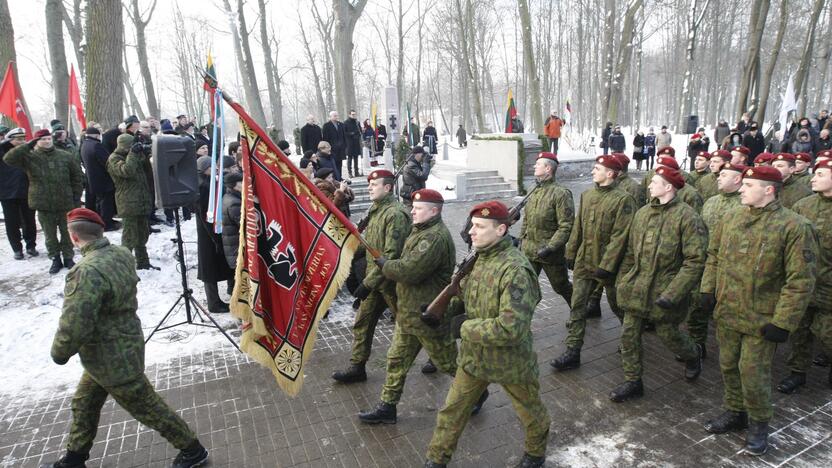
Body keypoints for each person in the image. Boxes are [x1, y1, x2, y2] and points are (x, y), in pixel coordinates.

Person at [43, 207, 208, 468]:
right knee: (84, 403)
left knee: (147, 407)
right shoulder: (120, 254)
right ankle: (74, 459)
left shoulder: (86, 271)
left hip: (112, 358)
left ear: (74, 238)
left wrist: (59, 352)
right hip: (117, 348)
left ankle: (193, 449)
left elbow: (76, 321)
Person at [701, 165, 816, 456]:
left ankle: (759, 423)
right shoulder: (731, 217)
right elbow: (713, 257)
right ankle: (735, 411)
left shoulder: (794, 226)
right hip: (728, 311)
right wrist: (707, 290)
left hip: (763, 319)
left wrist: (783, 322)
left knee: (752, 372)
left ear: (768, 190)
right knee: (727, 365)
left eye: (748, 185)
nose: (741, 189)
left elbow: (800, 280)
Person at [424, 200, 548, 468]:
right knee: (451, 412)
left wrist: (462, 327)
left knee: (530, 413)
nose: (471, 231)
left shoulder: (516, 270)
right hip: (474, 359)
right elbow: (466, 296)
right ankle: (436, 460)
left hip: (510, 361)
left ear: (501, 229)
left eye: (480, 226)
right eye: (472, 226)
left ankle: (535, 455)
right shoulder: (478, 258)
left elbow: (511, 328)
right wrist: (443, 311)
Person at [358, 189, 460, 425]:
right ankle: (388, 407)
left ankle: (477, 392)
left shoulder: (434, 237)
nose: (412, 211)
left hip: (428, 316)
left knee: (448, 363)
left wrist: (385, 265)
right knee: (395, 360)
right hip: (409, 314)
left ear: (434, 211)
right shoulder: (420, 230)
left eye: (419, 208)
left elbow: (409, 271)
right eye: (413, 206)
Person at [610, 166, 706, 402]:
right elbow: (631, 252)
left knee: (668, 334)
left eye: (655, 182)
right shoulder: (642, 213)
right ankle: (633, 381)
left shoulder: (688, 217)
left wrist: (673, 293)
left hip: (665, 289)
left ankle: (692, 355)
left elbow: (695, 261)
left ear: (668, 187)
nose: (650, 185)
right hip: (637, 288)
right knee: (629, 335)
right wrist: (624, 280)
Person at [552, 155, 636, 371]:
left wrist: (607, 265)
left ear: (610, 173)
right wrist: (570, 251)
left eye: (597, 168)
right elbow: (578, 226)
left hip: (610, 267)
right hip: (584, 261)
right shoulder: (587, 195)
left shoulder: (623, 200)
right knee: (578, 306)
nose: (592, 171)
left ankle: (630, 340)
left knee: (619, 305)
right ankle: (573, 351)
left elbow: (621, 236)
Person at [332, 170, 411, 383]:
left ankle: (439, 358)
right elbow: (369, 245)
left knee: (411, 328)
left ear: (387, 188)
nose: (369, 187)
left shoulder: (395, 214)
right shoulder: (376, 210)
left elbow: (391, 256)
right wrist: (345, 254)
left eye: (374, 184)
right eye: (369, 184)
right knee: (362, 323)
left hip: (392, 284)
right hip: (376, 283)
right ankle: (357, 366)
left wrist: (366, 283)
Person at [777, 159, 832, 394]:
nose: (813, 178)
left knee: (827, 332)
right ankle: (797, 372)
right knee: (799, 331)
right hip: (803, 282)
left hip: (829, 285)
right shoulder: (802, 206)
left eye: (820, 174)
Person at [4, 129, 83, 274]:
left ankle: (68, 257)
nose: (46, 141)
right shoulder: (30, 157)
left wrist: (76, 197)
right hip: (43, 203)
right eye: (42, 139)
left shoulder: (65, 156)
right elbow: (8, 159)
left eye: (48, 139)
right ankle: (55, 258)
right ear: (36, 142)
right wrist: (27, 146)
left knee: (67, 233)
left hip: (65, 202)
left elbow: (77, 177)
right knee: (50, 235)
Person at [520, 152, 574, 306]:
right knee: (525, 287)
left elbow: (566, 225)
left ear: (548, 168)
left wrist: (550, 248)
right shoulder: (534, 189)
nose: (534, 166)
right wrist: (521, 240)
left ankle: (579, 311)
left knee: (561, 286)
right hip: (529, 251)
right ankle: (520, 321)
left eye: (538, 164)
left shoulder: (561, 194)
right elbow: (527, 218)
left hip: (549, 253)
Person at [106, 134, 158, 270]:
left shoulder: (134, 155)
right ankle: (125, 268)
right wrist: (133, 153)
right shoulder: (114, 158)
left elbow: (148, 173)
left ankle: (143, 262)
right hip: (128, 202)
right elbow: (127, 171)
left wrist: (145, 155)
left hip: (142, 200)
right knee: (129, 237)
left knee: (142, 234)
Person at [196, 154, 235, 313]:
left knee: (221, 264)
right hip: (209, 232)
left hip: (215, 229)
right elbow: (206, 213)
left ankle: (230, 292)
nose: (216, 169)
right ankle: (213, 302)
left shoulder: (209, 183)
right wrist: (215, 237)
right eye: (212, 167)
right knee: (210, 269)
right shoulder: (203, 188)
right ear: (205, 170)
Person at [0, 128, 38, 259]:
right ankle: (17, 249)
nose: (21, 141)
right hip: (7, 193)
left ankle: (31, 246)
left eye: (23, 139)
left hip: (26, 191)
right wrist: (6, 143)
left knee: (29, 221)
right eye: (18, 139)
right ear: (9, 139)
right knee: (12, 223)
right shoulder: (3, 150)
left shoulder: (27, 151)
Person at [79, 127, 118, 231]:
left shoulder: (84, 145)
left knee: (101, 202)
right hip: (103, 179)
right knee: (106, 202)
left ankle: (105, 220)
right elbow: (107, 161)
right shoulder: (96, 145)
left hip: (92, 178)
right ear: (97, 135)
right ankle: (107, 223)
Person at [221, 171, 243, 275]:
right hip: (237, 250)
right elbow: (245, 225)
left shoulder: (228, 197)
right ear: (234, 185)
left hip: (234, 249)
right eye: (241, 182)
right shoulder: (234, 203)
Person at [322, 111, 346, 177]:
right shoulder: (326, 126)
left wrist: (344, 146)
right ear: (330, 117)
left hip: (340, 149)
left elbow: (344, 136)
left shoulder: (341, 125)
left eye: (337, 115)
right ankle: (335, 178)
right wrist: (327, 148)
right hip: (332, 149)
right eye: (334, 116)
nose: (336, 117)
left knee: (339, 164)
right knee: (333, 165)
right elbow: (325, 138)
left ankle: (340, 177)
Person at [344, 110, 362, 178]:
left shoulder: (357, 122)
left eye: (354, 114)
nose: (354, 115)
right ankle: (350, 173)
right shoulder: (346, 123)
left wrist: (358, 134)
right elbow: (344, 133)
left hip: (356, 142)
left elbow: (360, 131)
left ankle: (356, 172)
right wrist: (351, 133)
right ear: (349, 115)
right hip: (349, 143)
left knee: (356, 158)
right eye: (352, 114)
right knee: (350, 158)